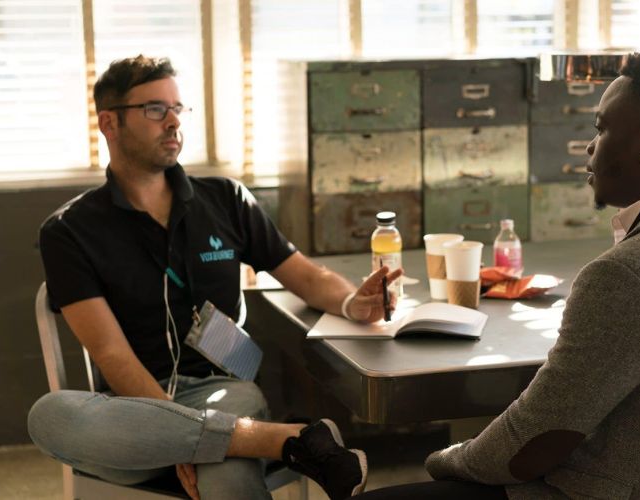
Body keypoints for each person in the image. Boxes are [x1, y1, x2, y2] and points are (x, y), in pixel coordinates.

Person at [352, 49, 640, 499]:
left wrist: (444, 460)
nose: (591, 146)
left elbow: (530, 445)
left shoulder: (626, 276)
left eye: (601, 128)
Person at [27, 55, 401, 500]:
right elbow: (111, 355)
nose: (172, 122)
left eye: (177, 109)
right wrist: (177, 436)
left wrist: (351, 303)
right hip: (131, 415)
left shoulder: (225, 199)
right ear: (109, 123)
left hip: (225, 393)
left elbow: (306, 275)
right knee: (49, 416)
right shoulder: (69, 231)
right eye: (154, 109)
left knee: (224, 474)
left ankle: (242, 441)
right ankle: (291, 440)